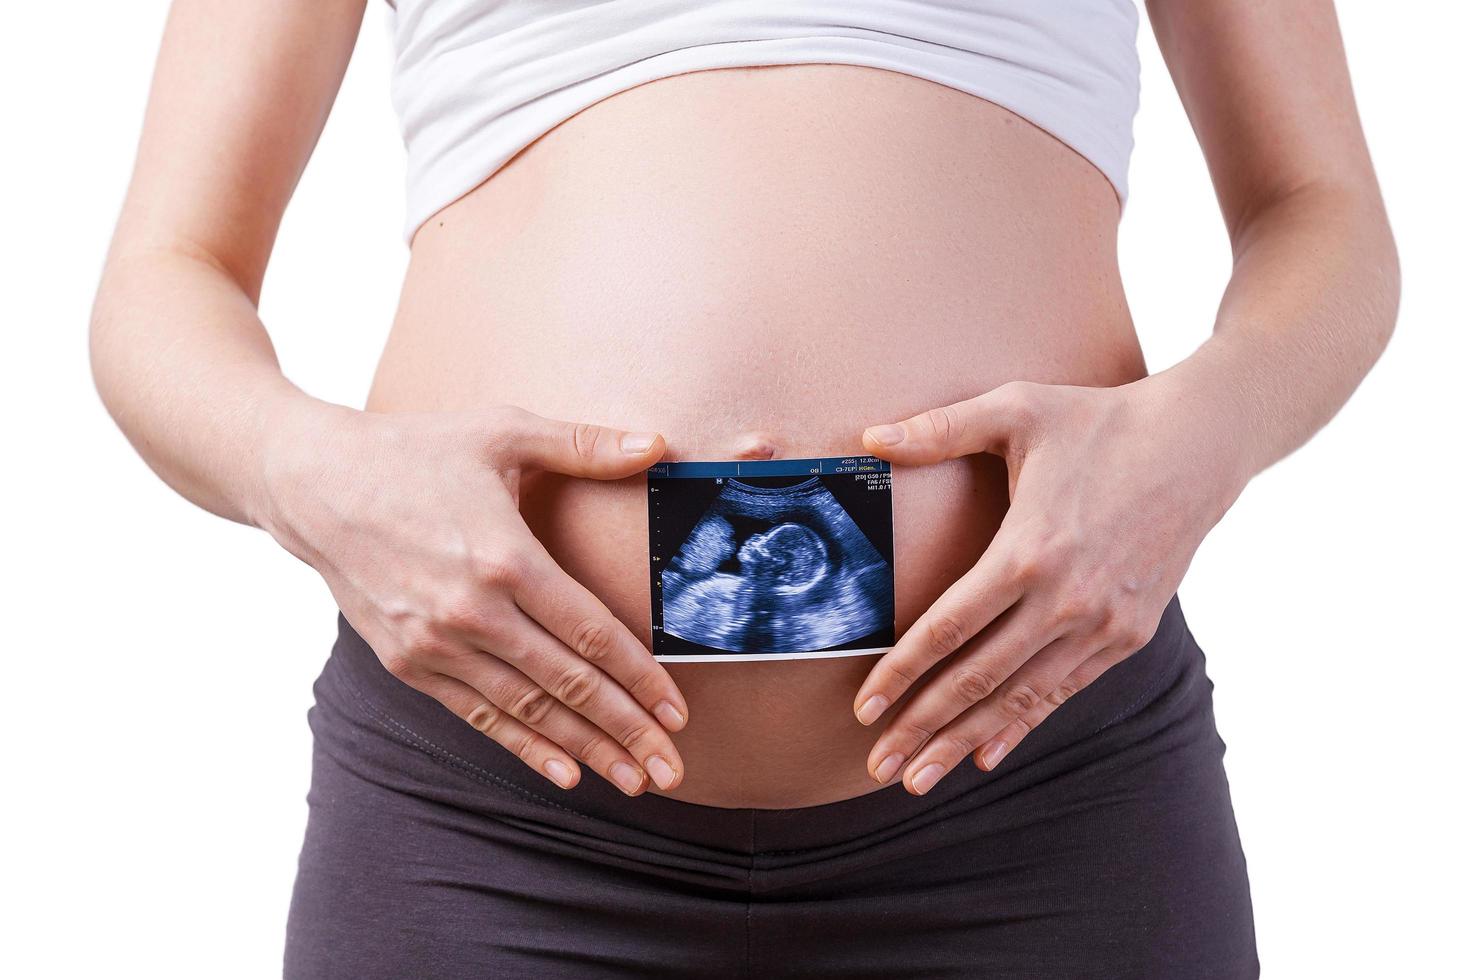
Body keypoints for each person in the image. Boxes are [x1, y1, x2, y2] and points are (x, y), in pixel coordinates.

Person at [90, 0, 1398, 976]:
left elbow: (1319, 206)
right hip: (490, 815)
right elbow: (165, 271)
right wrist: (298, 471)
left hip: (1037, 787)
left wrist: (1204, 434)